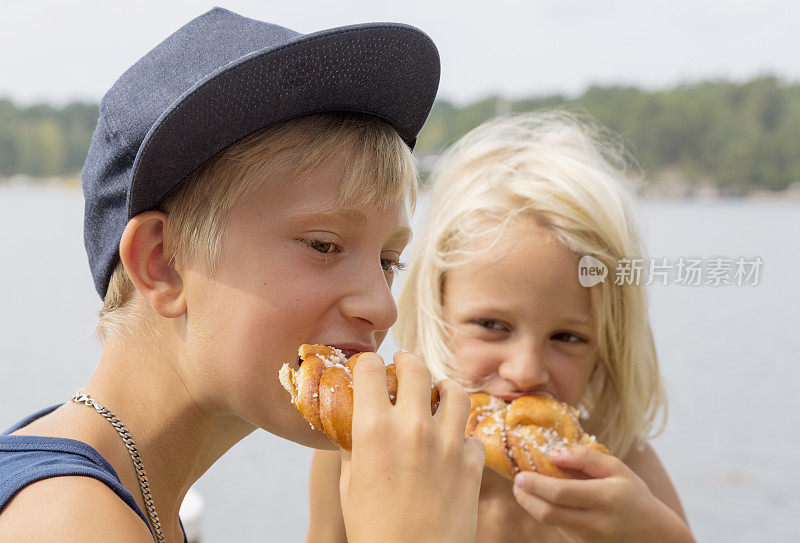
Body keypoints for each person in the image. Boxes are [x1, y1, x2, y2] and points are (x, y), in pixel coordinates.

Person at [0, 8, 485, 542]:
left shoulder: (130, 492)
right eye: (324, 245)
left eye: (388, 262)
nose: (383, 306)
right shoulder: (68, 520)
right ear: (163, 264)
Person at [308, 111, 696, 542]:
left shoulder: (619, 475)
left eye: (567, 337)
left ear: (609, 346)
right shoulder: (370, 441)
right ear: (436, 310)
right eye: (492, 325)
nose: (526, 370)